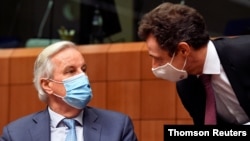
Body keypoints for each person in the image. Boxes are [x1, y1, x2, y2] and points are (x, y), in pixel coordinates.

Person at [138, 2, 250, 125]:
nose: (154, 66)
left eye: (158, 59)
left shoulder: (245, 53)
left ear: (183, 50)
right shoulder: (186, 86)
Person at [0, 41, 138, 141]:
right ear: (47, 84)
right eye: (71, 71)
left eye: (83, 69)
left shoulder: (118, 126)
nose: (83, 77)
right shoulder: (16, 135)